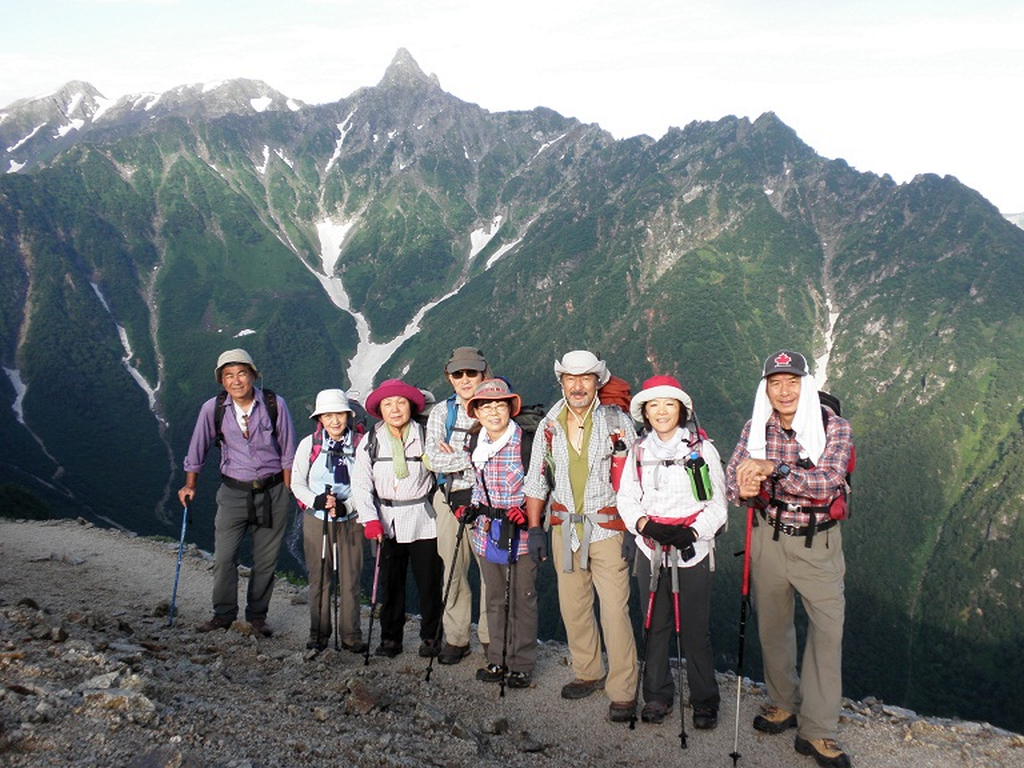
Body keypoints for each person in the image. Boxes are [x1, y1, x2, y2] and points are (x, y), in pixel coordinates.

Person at [725, 350, 854, 768]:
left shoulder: (833, 428)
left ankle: (818, 730)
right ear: (766, 387)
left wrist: (773, 469)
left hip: (818, 543)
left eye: (792, 381)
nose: (784, 391)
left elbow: (828, 481)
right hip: (769, 536)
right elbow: (732, 478)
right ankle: (783, 701)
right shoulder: (754, 429)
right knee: (773, 625)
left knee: (826, 632)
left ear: (806, 384)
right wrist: (742, 489)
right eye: (776, 383)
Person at [523, 350, 639, 722]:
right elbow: (537, 478)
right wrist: (534, 528)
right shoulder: (550, 425)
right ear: (561, 382)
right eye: (571, 379)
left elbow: (634, 478)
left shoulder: (618, 421)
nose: (577, 386)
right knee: (574, 605)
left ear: (598, 381)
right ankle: (587, 670)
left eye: (585, 378)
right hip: (564, 527)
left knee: (614, 609)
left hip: (607, 527)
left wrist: (636, 531)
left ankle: (623, 689)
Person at [617, 375, 726, 729]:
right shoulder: (637, 451)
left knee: (695, 628)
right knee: (656, 624)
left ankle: (704, 699)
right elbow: (626, 498)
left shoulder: (701, 450)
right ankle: (657, 695)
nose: (662, 412)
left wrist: (693, 531)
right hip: (651, 548)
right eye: (654, 405)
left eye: (669, 404)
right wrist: (645, 526)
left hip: (692, 546)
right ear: (645, 412)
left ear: (681, 409)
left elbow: (718, 505)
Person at [178, 348, 296, 636]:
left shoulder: (274, 404)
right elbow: (197, 447)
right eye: (228, 375)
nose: (236, 380)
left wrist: (291, 490)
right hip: (232, 491)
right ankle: (223, 614)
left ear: (253, 375)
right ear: (221, 381)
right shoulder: (213, 409)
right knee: (224, 556)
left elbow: (289, 452)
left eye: (241, 373)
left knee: (266, 559)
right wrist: (189, 484)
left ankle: (257, 617)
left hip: (273, 491)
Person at [351, 378, 443, 659]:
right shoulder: (371, 440)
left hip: (423, 518)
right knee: (390, 583)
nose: (395, 409)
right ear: (380, 409)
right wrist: (370, 519)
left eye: (400, 403)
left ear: (411, 406)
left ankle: (431, 636)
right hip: (386, 518)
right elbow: (361, 483)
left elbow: (440, 474)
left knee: (429, 582)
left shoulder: (426, 436)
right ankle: (391, 637)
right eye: (388, 404)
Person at [460, 378, 537, 689]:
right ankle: (497, 658)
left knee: (523, 598)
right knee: (493, 597)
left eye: (500, 405)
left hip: (520, 532)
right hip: (486, 531)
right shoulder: (476, 443)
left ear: (510, 409)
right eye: (486, 406)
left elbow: (542, 484)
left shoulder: (526, 443)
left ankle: (521, 663)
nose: (493, 412)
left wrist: (531, 513)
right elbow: (478, 485)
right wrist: (470, 507)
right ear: (476, 412)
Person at [423, 347, 491, 665]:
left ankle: (491, 637)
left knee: (490, 571)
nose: (465, 379)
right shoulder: (441, 412)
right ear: (450, 377)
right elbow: (433, 458)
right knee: (452, 570)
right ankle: (456, 638)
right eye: (458, 374)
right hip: (449, 499)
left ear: (483, 373)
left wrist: (456, 458)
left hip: (489, 501)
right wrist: (474, 457)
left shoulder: (496, 406)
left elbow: (502, 456)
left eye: (471, 373)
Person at [290, 389, 366, 653]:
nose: (335, 421)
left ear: (348, 415)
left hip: (352, 519)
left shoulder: (361, 444)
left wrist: (348, 505)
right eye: (329, 415)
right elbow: (297, 483)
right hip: (317, 518)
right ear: (319, 418)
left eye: (340, 415)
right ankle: (318, 633)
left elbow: (367, 484)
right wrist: (317, 501)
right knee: (320, 578)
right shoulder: (308, 445)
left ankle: (351, 635)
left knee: (350, 578)